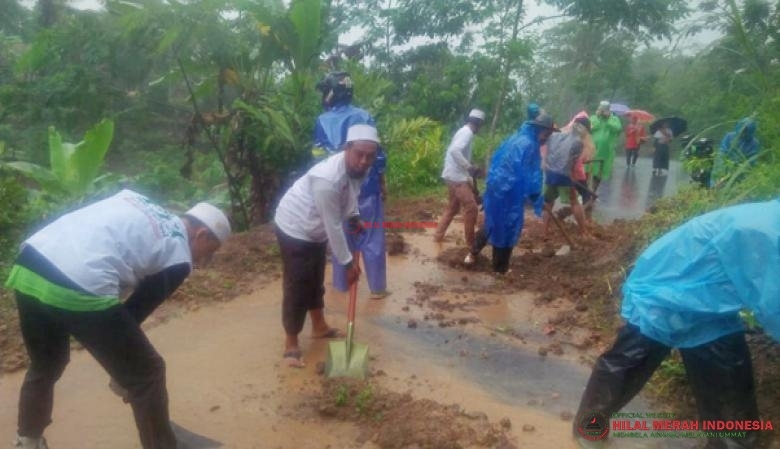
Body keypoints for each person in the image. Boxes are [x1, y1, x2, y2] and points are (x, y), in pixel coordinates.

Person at [5, 190, 231, 449]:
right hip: (80, 282)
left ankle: (28, 441)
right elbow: (135, 311)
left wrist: (121, 362)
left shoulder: (135, 198)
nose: (204, 261)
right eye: (208, 253)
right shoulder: (178, 255)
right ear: (202, 235)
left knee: (46, 363)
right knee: (147, 373)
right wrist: (126, 373)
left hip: (30, 264)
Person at [573, 199, 780, 449]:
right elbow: (773, 302)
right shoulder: (766, 232)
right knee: (629, 362)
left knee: (729, 379)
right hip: (665, 289)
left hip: (709, 304)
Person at [274, 124, 378, 368]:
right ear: (347, 149)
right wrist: (348, 264)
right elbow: (333, 226)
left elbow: (351, 194)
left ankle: (319, 326)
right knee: (297, 284)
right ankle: (291, 344)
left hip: (317, 229)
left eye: (370, 156)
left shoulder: (359, 169)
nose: (364, 161)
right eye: (359, 154)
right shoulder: (327, 180)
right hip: (295, 227)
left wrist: (354, 216)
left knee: (315, 278)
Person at [313, 71, 389, 299]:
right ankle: (377, 288)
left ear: (332, 93)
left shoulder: (322, 120)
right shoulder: (365, 116)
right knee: (372, 238)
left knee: (341, 236)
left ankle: (341, 285)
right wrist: (382, 182)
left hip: (337, 189)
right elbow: (378, 155)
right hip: (367, 189)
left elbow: (317, 157)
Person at [468, 112, 556, 274]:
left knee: (493, 222)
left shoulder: (515, 138)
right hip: (509, 192)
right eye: (547, 134)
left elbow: (498, 161)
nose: (546, 138)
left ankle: (472, 254)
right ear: (540, 130)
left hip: (496, 187)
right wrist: (536, 197)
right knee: (507, 228)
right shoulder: (531, 145)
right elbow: (531, 175)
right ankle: (499, 270)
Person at [433, 108, 486, 265]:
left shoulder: (463, 131)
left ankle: (438, 236)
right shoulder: (467, 133)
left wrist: (469, 172)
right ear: (479, 123)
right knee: (471, 208)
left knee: (452, 208)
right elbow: (455, 151)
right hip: (456, 177)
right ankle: (471, 245)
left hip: (452, 174)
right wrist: (469, 167)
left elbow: (457, 152)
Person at [542, 116, 592, 238]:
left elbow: (548, 154)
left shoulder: (555, 136)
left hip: (550, 174)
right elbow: (572, 164)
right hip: (564, 176)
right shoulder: (578, 143)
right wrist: (573, 178)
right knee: (575, 202)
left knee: (548, 202)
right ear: (584, 130)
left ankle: (545, 231)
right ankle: (583, 232)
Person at [711, 118, 760, 187]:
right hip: (725, 165)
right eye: (742, 131)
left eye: (745, 131)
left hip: (740, 172)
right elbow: (722, 153)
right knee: (717, 184)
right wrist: (722, 171)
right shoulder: (729, 137)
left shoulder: (754, 143)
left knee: (737, 187)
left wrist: (735, 169)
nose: (743, 133)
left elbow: (750, 161)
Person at [586, 101, 623, 192]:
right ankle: (585, 192)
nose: (602, 111)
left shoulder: (614, 119)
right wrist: (598, 117)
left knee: (599, 173)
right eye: (600, 109)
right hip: (591, 150)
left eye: (604, 109)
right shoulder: (593, 118)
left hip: (605, 152)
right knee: (587, 171)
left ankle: (593, 192)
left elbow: (618, 129)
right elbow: (589, 128)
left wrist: (608, 118)